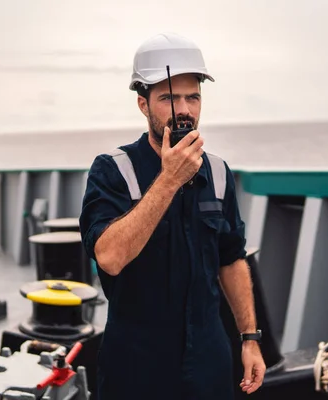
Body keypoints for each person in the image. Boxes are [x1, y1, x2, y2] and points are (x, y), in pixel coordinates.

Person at [79, 32, 266, 399]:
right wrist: (169, 180)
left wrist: (249, 338)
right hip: (136, 366)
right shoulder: (112, 171)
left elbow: (231, 259)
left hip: (209, 360)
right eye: (168, 97)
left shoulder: (218, 172)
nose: (183, 109)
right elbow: (110, 258)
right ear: (143, 104)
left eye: (192, 97)